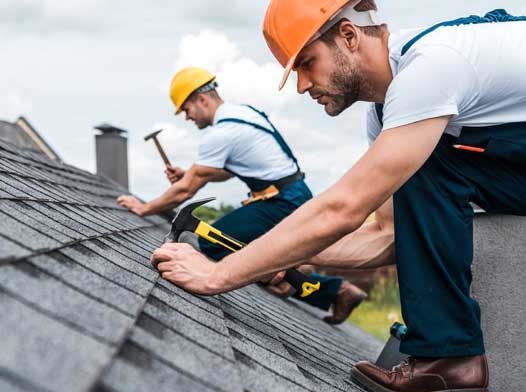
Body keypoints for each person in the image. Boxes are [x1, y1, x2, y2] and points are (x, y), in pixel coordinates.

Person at [150, 1, 526, 392]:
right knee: (427, 164)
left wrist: (219, 273)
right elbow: (387, 236)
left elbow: (344, 207)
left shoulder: (433, 66)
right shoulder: (393, 116)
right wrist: (271, 258)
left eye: (306, 63)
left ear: (348, 36)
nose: (302, 86)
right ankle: (449, 361)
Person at [117, 66, 367, 324]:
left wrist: (143, 208)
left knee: (210, 243)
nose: (188, 118)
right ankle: (329, 289)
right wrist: (188, 174)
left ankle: (311, 284)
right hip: (289, 195)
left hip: (280, 201)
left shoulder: (222, 131)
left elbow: (186, 190)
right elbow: (224, 172)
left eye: (187, 110)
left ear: (202, 99)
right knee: (254, 253)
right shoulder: (243, 114)